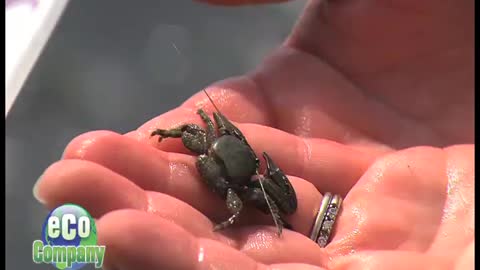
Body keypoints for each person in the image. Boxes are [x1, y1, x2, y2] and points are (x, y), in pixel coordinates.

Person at [33, 0, 474, 269]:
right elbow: (211, 135)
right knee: (205, 128)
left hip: (245, 184)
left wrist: (238, 216)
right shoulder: (218, 142)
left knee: (219, 156)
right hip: (241, 171)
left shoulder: (246, 182)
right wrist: (173, 134)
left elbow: (234, 180)